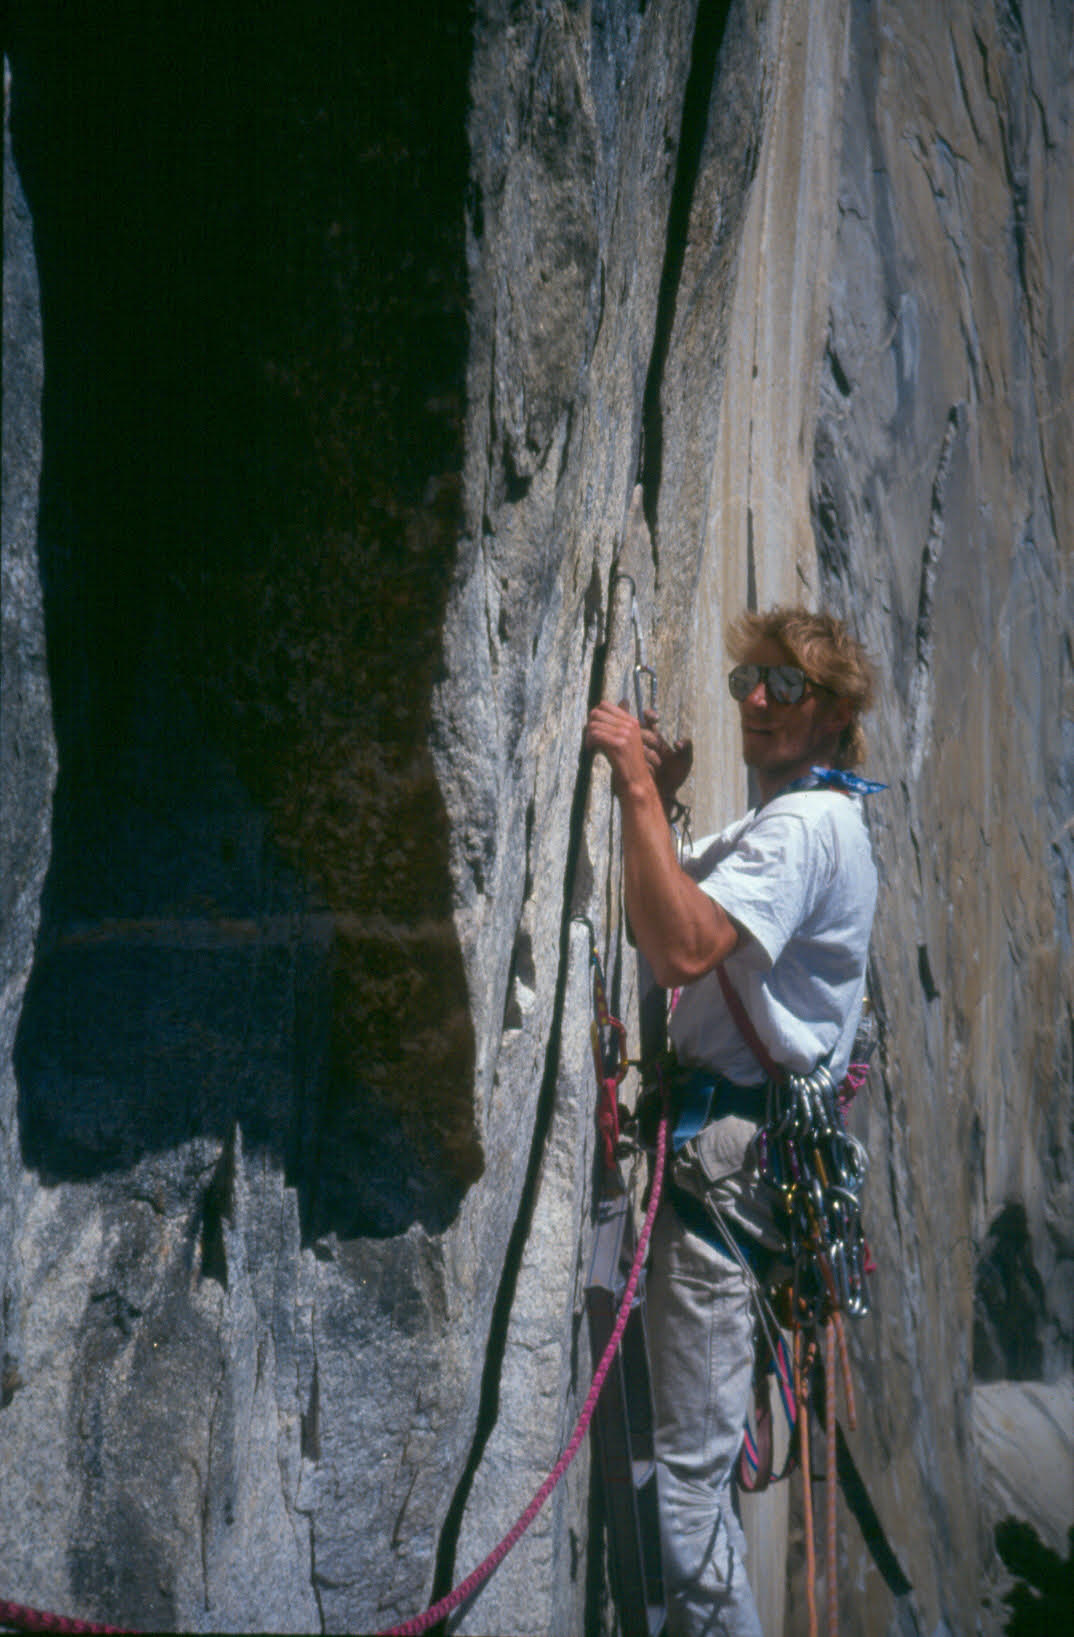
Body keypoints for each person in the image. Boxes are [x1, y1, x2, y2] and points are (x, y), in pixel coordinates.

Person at [585, 605, 880, 1636]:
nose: (758, 699)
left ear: (835, 712)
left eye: (787, 686)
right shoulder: (796, 819)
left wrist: (630, 782)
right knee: (686, 1493)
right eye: (751, 677)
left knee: (683, 1514)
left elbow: (679, 945)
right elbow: (678, 888)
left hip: (723, 1184)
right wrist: (660, 805)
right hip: (736, 1171)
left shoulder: (805, 828)